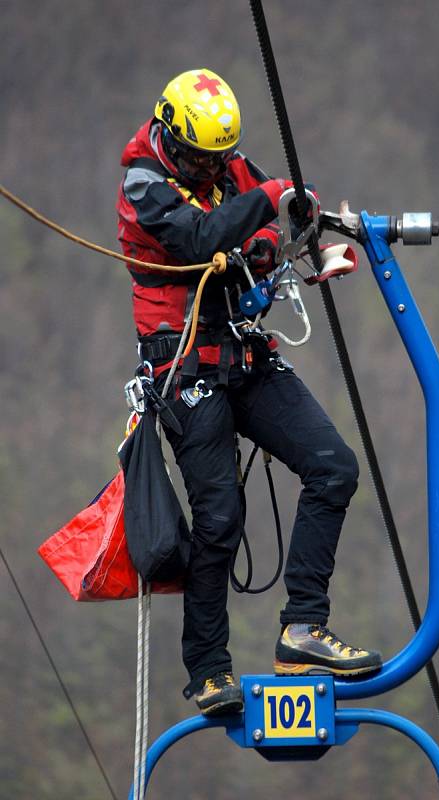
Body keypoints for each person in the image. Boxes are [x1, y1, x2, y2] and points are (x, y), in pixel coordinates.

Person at [117, 68, 382, 716]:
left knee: (333, 468)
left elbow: (286, 207)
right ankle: (208, 672)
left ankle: (301, 629)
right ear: (170, 137)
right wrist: (269, 203)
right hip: (185, 368)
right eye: (200, 160)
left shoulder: (228, 170)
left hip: (243, 354)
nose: (211, 172)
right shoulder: (142, 184)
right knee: (218, 518)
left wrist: (282, 232)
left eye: (219, 160)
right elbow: (199, 236)